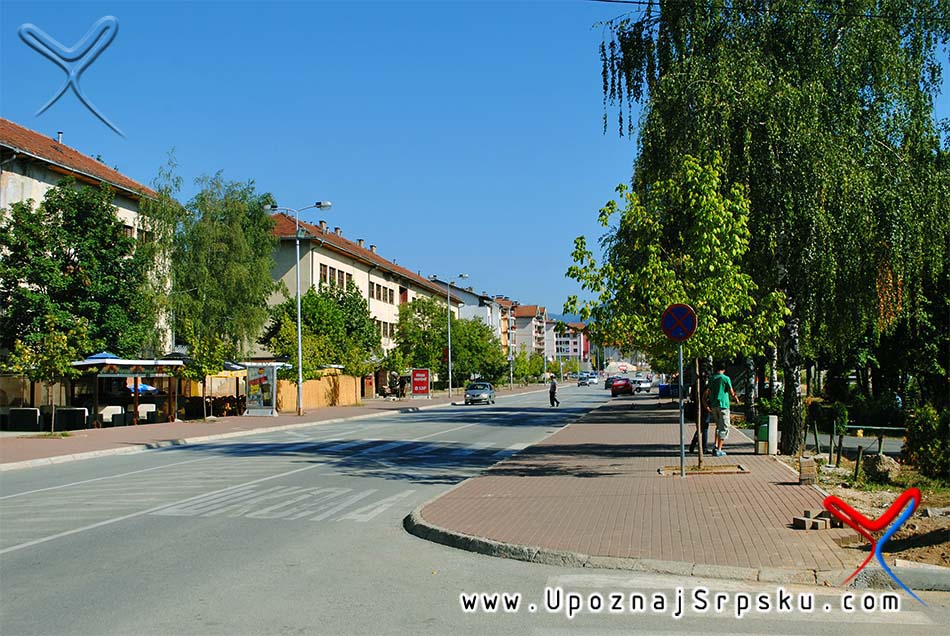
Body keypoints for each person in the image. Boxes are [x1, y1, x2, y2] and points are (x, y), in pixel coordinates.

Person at [703, 362, 738, 457]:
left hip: (714, 405)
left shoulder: (712, 378)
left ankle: (715, 445)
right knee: (724, 427)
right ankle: (719, 449)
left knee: (718, 426)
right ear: (724, 369)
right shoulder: (726, 378)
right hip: (723, 405)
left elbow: (707, 391)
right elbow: (731, 391)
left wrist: (706, 404)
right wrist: (736, 398)